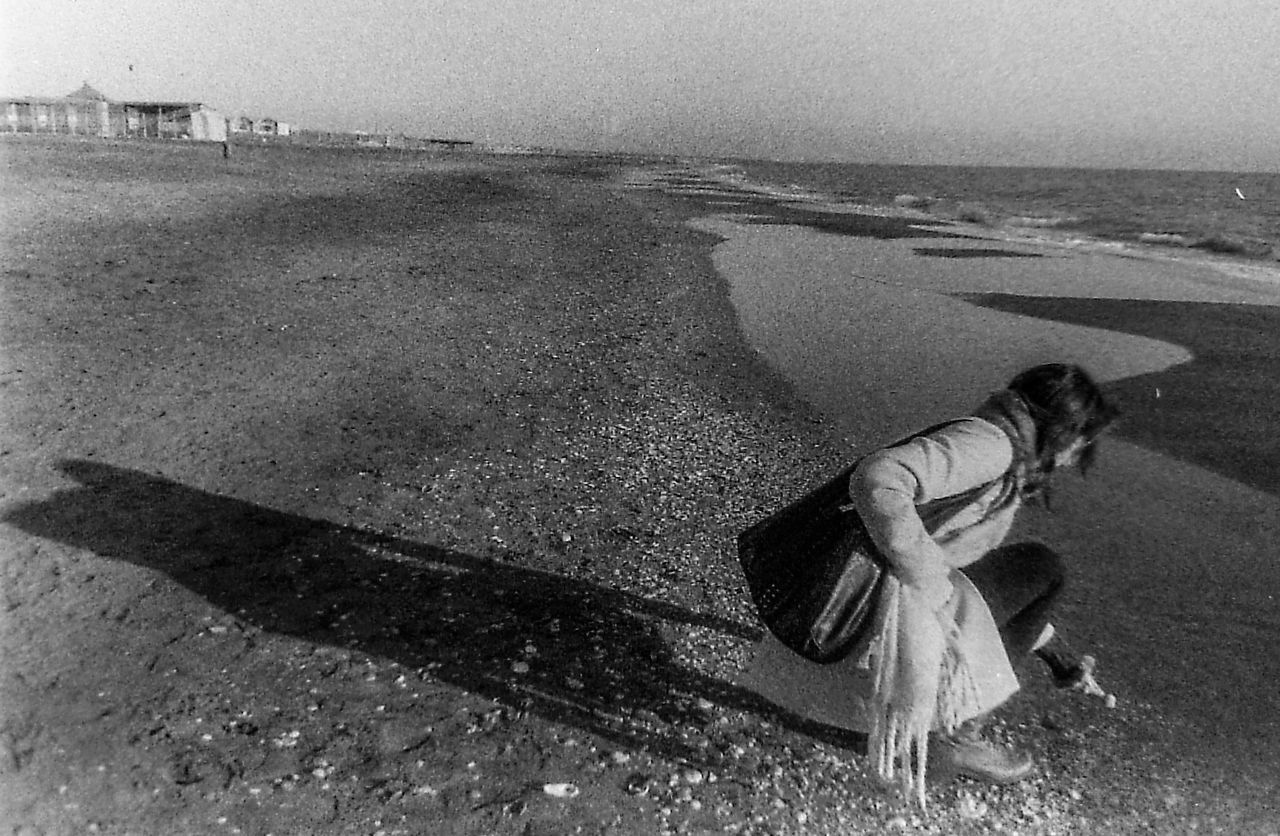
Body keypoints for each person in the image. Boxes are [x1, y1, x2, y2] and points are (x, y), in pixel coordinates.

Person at [740, 362, 1120, 805]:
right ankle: (955, 734)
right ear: (1061, 427)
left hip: (857, 593)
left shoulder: (1000, 443)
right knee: (1043, 566)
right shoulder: (991, 447)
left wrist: (1056, 655)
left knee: (1027, 574)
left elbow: (968, 579)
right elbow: (878, 477)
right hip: (868, 603)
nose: (1074, 459)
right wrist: (930, 584)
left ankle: (936, 721)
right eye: (1080, 445)